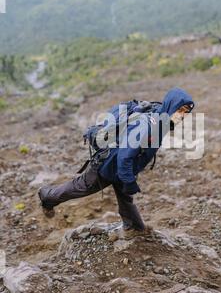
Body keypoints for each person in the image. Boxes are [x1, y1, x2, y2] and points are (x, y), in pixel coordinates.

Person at [38, 87, 194, 234]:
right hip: (108, 164)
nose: (181, 115)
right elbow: (124, 156)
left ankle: (134, 226)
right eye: (180, 110)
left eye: (185, 112)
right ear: (171, 105)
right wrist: (130, 182)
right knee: (81, 187)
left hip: (120, 167)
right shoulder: (150, 126)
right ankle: (47, 196)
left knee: (125, 197)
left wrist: (128, 178)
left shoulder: (159, 115)